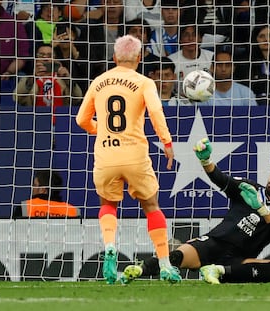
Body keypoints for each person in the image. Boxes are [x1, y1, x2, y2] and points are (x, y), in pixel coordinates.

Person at [75, 35, 182, 285]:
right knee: (152, 206)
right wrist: (166, 142)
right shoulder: (144, 82)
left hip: (106, 153)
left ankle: (110, 246)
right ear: (140, 57)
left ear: (114, 58)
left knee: (108, 205)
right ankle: (165, 264)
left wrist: (100, 129)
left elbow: (81, 119)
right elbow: (156, 112)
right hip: (134, 154)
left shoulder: (99, 81)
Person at [121, 137, 270, 284]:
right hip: (214, 243)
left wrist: (261, 209)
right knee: (177, 255)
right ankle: (138, 269)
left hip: (238, 260)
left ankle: (216, 271)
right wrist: (206, 160)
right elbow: (222, 180)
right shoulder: (250, 188)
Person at [0, 0, 29, 100]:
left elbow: (22, 56)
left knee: (26, 83)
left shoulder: (15, 24)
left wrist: (9, 71)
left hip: (10, 76)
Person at [14, 44, 83, 107]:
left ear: (55, 59)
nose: (45, 59)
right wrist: (33, 77)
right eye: (41, 55)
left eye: (49, 55)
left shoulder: (62, 78)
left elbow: (77, 98)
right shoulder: (28, 80)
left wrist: (68, 79)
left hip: (60, 117)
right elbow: (17, 98)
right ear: (36, 59)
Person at [234, 24, 270, 105]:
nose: (266, 39)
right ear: (255, 39)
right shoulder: (245, 60)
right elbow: (248, 86)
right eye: (262, 36)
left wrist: (262, 79)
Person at [168, 24, 214, 95]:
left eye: (194, 35)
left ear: (200, 38)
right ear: (180, 39)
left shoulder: (211, 57)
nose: (190, 39)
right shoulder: (171, 60)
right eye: (186, 35)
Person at [14, 170, 80, 218]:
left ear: (43, 189)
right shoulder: (73, 210)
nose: (32, 188)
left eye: (34, 185)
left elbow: (15, 233)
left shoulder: (25, 207)